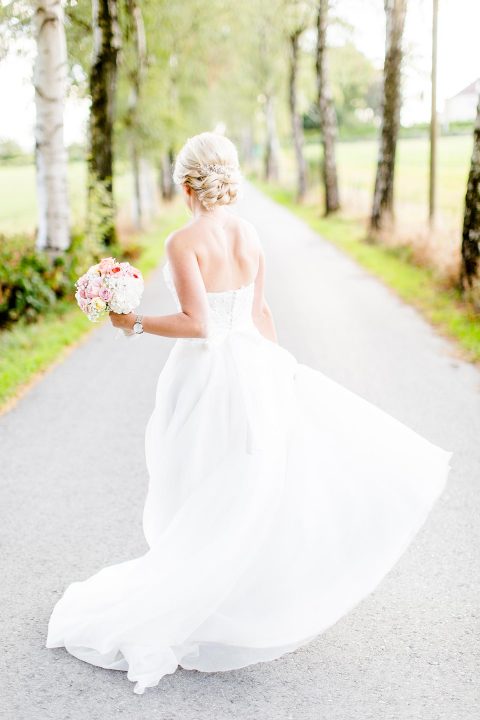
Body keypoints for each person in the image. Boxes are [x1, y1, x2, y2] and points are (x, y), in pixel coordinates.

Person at [45, 131, 453, 695]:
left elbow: (198, 324)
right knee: (247, 482)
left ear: (186, 184)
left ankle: (198, 594)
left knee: (199, 481)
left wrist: (132, 323)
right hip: (255, 364)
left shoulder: (183, 242)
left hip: (209, 375)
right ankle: (235, 594)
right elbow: (258, 308)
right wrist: (279, 366)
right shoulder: (249, 232)